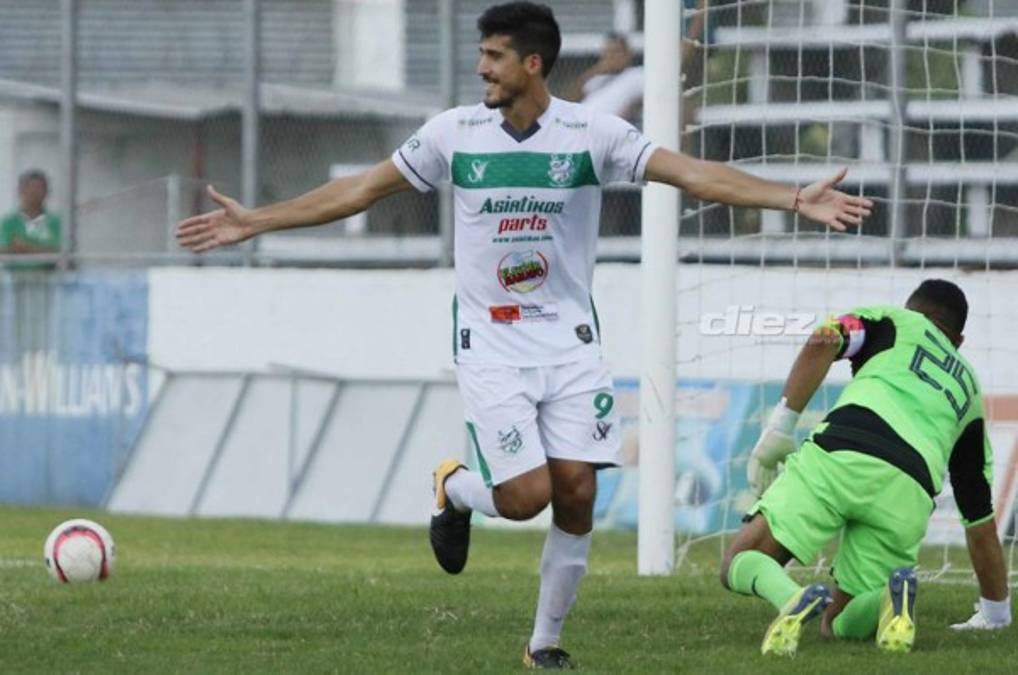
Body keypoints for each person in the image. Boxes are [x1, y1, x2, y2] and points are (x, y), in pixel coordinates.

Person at [176, 2, 871, 668]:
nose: (481, 68)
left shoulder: (590, 134)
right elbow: (358, 189)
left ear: (532, 63)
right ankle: (455, 490)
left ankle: (543, 644)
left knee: (575, 493)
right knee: (524, 498)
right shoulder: (453, 134)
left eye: (493, 56)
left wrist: (791, 196)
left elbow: (690, 174)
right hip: (492, 344)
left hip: (568, 344)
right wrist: (256, 221)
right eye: (481, 54)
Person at [720, 279, 1011, 657]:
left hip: (845, 449)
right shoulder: (970, 391)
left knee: (740, 560)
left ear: (911, 308)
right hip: (909, 488)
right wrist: (995, 613)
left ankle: (791, 598)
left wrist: (781, 427)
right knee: (839, 625)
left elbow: (824, 339)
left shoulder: (893, 321)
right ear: (958, 342)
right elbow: (979, 520)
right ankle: (888, 601)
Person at [565, 32, 644, 121]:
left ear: (628, 54)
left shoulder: (635, 74)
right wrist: (595, 71)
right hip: (580, 125)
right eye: (607, 52)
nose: (611, 56)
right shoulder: (597, 79)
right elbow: (570, 101)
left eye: (616, 52)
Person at [0, 170, 62, 265]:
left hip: (49, 277)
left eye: (39, 188)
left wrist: (24, 247)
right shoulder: (9, 221)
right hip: (14, 277)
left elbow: (59, 252)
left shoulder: (55, 221)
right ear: (20, 191)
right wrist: (41, 250)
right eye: (29, 187)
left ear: (46, 192)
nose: (34, 192)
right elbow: (4, 250)